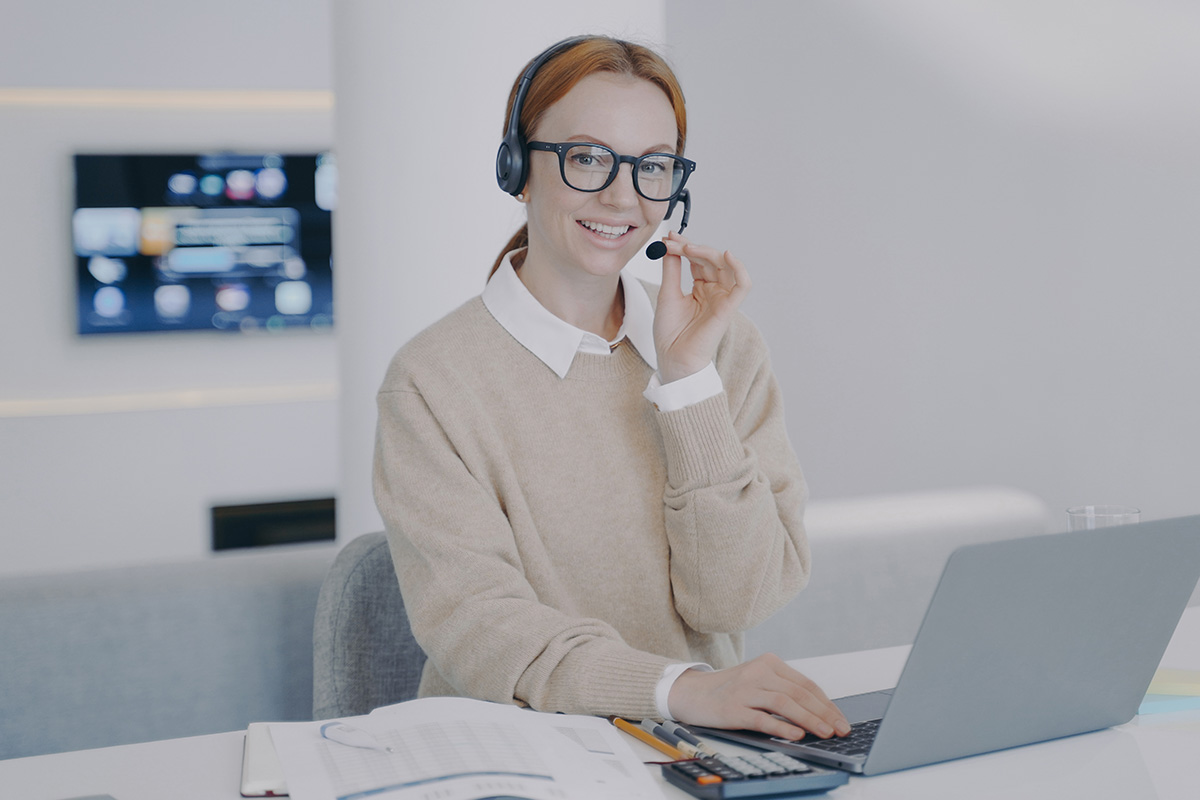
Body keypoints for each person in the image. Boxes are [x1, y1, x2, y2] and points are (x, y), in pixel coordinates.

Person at [373, 34, 850, 742]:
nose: (624, 197)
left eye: (653, 166)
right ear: (519, 169)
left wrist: (688, 384)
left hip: (698, 751)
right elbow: (481, 628)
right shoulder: (432, 382)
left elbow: (737, 599)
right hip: (514, 755)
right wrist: (676, 688)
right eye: (588, 157)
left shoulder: (723, 347)